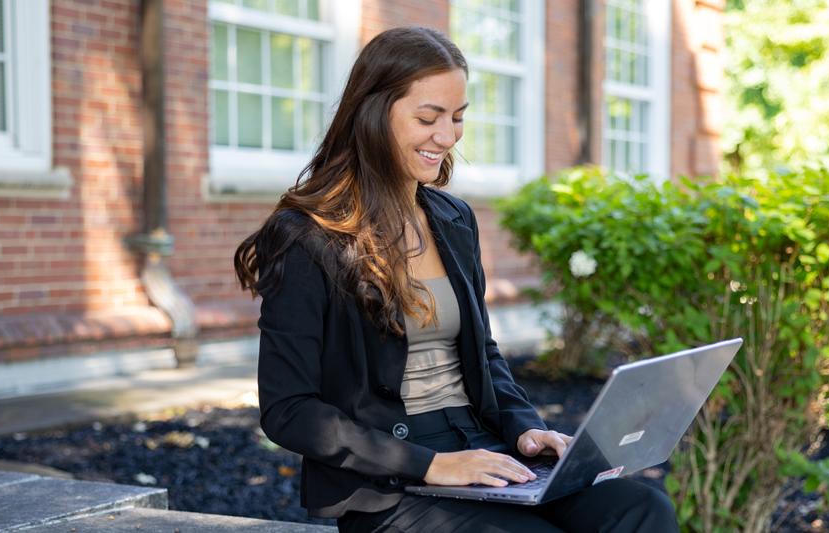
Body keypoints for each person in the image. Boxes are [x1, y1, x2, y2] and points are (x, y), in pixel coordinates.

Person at [233, 26, 678, 533]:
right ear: (374, 113)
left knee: (642, 510)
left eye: (458, 117)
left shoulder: (453, 218)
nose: (447, 137)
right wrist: (431, 464)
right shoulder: (307, 237)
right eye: (428, 117)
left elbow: (483, 353)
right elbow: (288, 410)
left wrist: (527, 429)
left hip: (482, 447)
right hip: (391, 483)